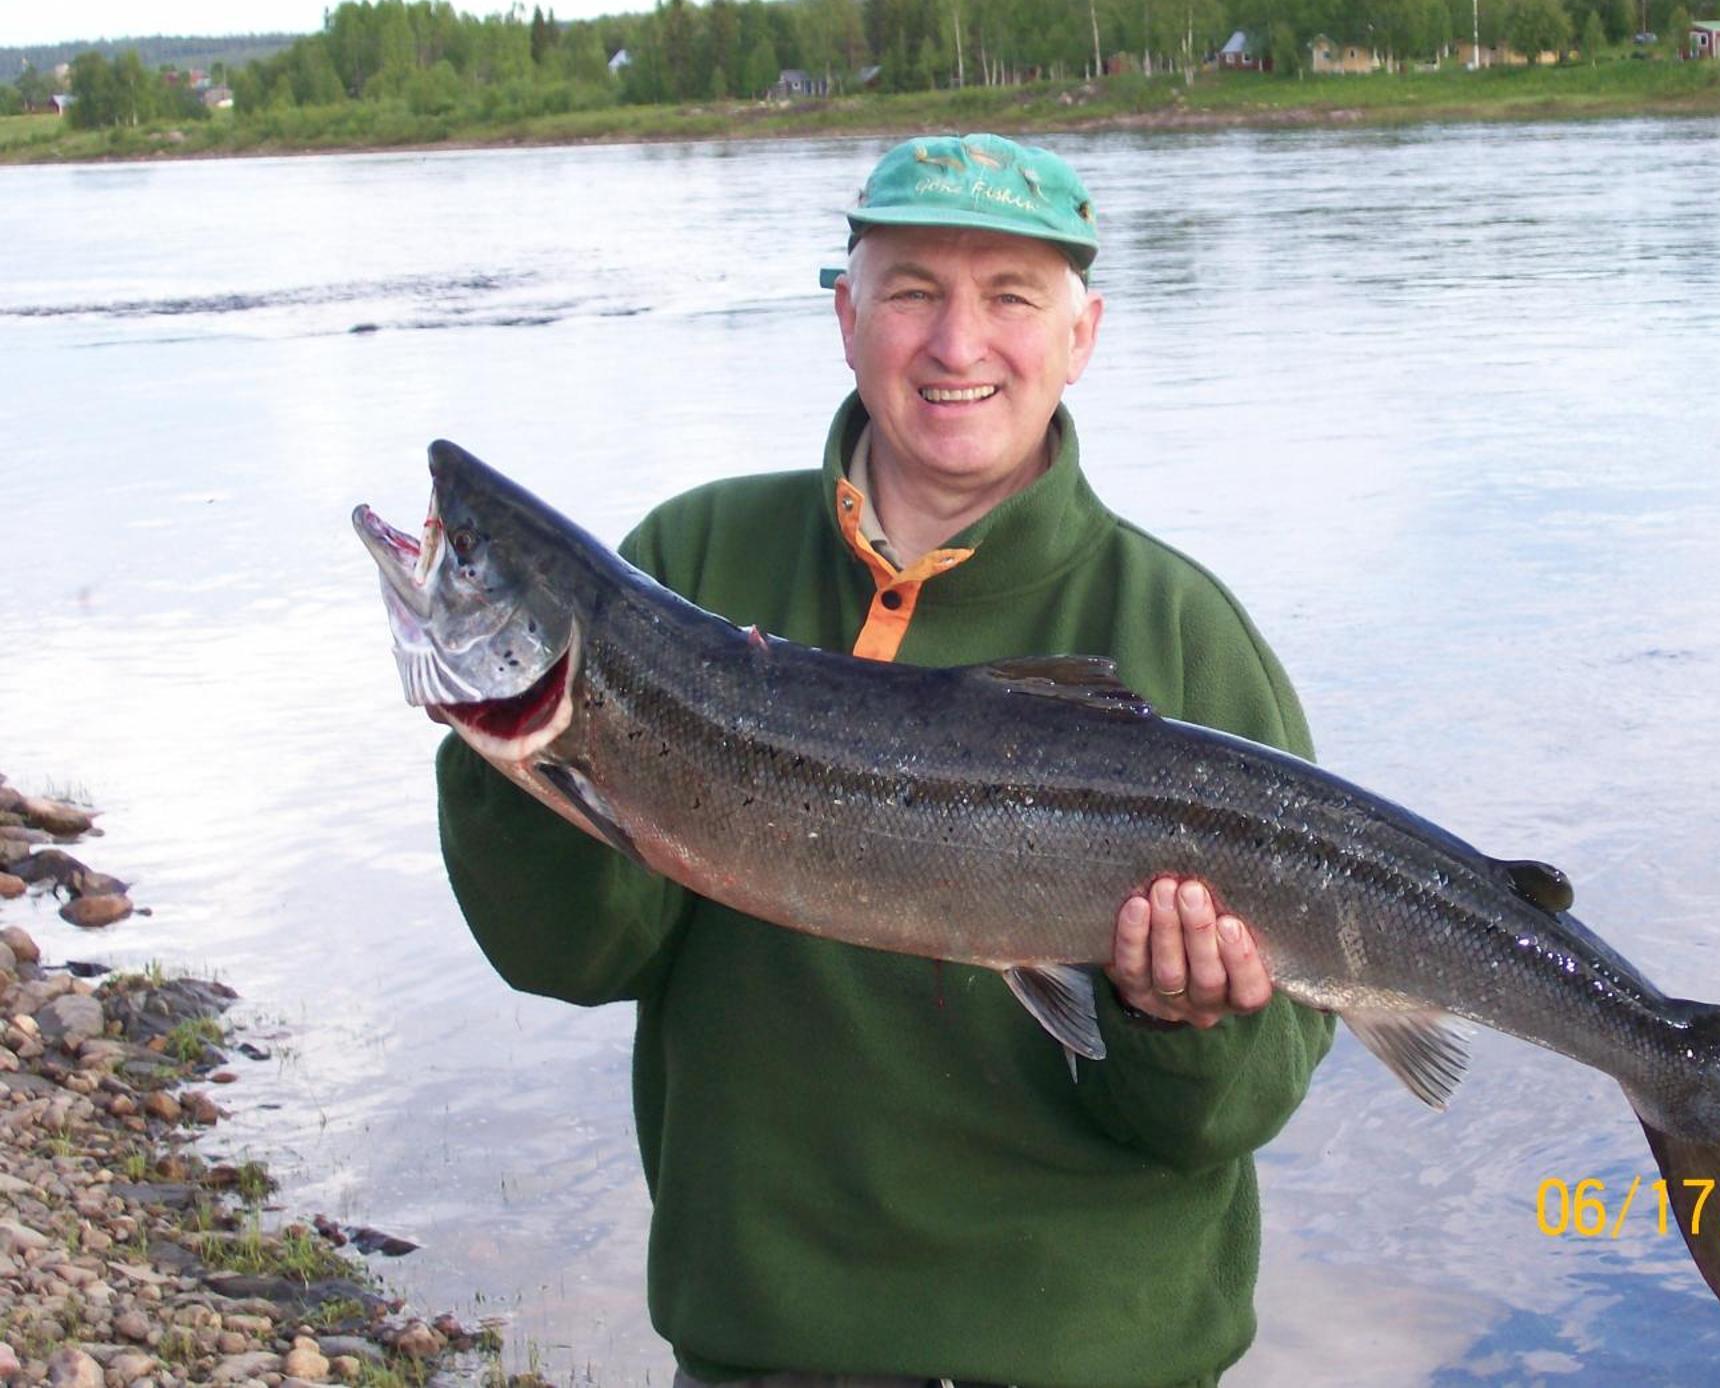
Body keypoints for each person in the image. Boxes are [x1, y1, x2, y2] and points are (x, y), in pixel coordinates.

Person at [434, 133, 1334, 1388]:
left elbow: (1229, 1118)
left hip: (1098, 1358)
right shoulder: (688, 564)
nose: (956, 345)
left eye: (1010, 297)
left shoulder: (1180, 634)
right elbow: (570, 957)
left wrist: (1175, 1022)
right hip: (766, 1350)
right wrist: (517, 755)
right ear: (845, 315)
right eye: (911, 289)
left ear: (1082, 336)